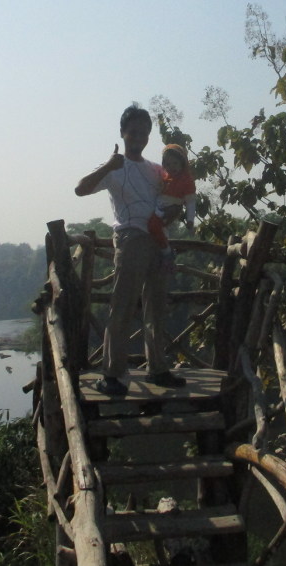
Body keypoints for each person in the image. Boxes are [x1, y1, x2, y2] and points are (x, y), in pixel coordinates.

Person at [74, 105, 186, 396]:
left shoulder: (154, 170)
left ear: (149, 136)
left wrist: (173, 213)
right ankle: (112, 374)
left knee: (156, 308)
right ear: (123, 133)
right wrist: (109, 166)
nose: (138, 137)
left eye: (144, 132)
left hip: (158, 241)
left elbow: (171, 196)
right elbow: (81, 189)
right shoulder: (115, 166)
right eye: (133, 132)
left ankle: (158, 369)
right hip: (130, 239)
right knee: (122, 307)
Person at [148, 143, 196, 271]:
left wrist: (190, 220)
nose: (171, 167)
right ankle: (163, 253)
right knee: (157, 230)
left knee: (154, 226)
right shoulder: (165, 178)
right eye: (168, 164)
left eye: (175, 163)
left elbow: (190, 202)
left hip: (168, 208)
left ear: (182, 163)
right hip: (158, 206)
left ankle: (167, 253)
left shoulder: (187, 181)